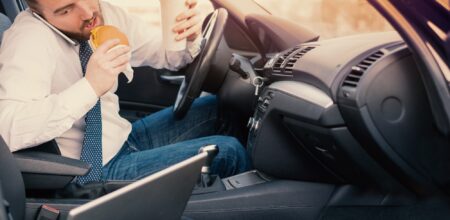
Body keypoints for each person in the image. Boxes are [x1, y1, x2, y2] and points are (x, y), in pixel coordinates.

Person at [0, 0, 251, 184]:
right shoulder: (28, 42)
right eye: (66, 9)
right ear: (37, 12)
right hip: (95, 168)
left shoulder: (105, 13)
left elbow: (166, 56)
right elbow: (9, 128)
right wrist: (89, 87)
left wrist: (187, 37)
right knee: (229, 152)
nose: (88, 13)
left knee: (218, 108)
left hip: (123, 138)